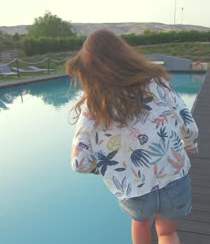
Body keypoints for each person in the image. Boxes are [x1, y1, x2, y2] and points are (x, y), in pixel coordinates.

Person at [66, 29, 199, 244]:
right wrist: (189, 142)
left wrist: (106, 167)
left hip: (133, 191)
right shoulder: (156, 83)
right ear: (125, 54)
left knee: (140, 222)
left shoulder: (93, 103)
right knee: (167, 233)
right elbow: (188, 123)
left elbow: (79, 162)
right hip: (173, 178)